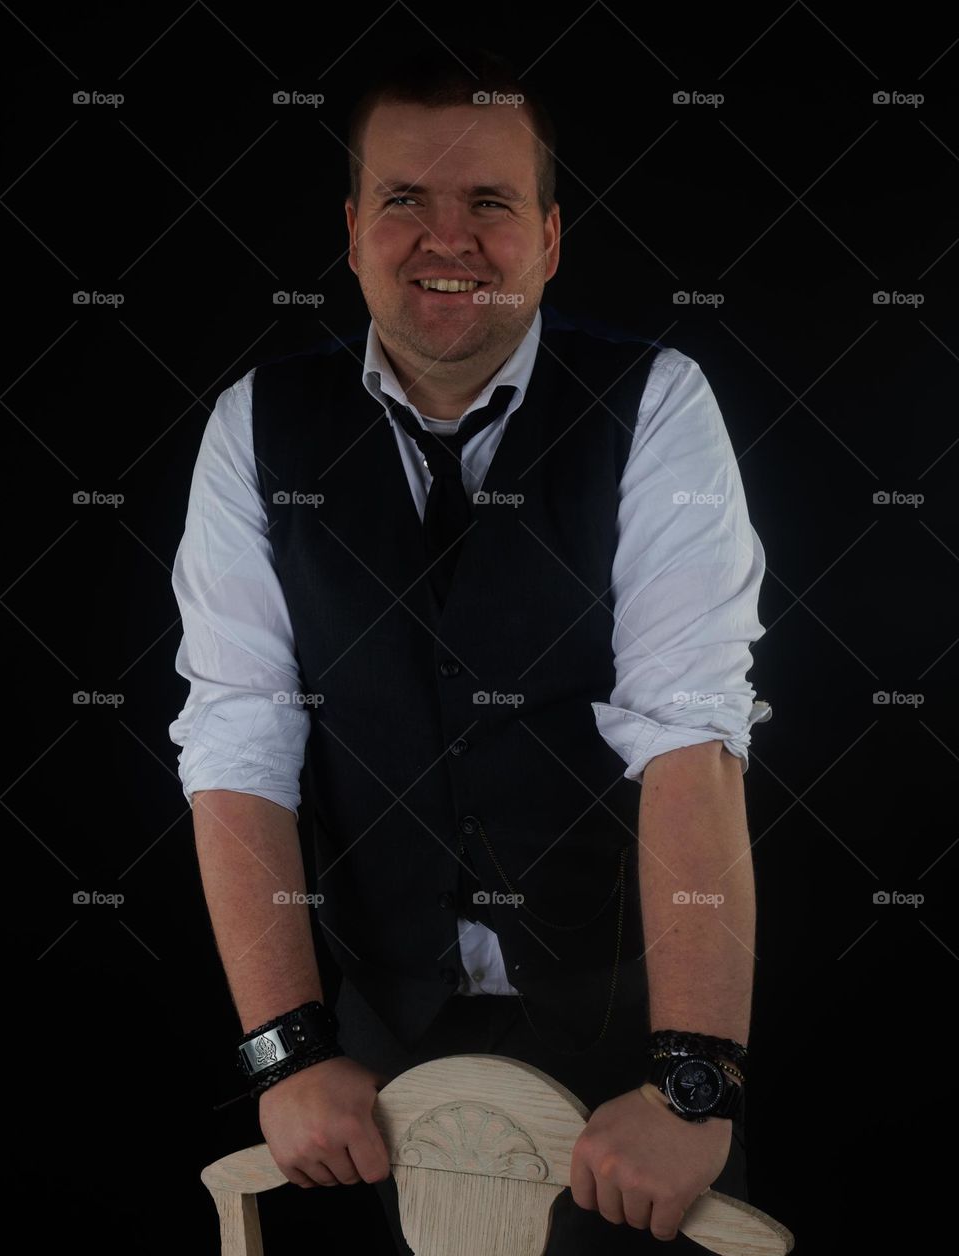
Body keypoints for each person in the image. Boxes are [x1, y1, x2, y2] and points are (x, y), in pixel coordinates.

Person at [170, 42, 773, 1254]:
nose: (448, 238)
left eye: (490, 203)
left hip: (625, 1032)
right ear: (352, 232)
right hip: (371, 1039)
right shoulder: (256, 428)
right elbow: (239, 743)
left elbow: (689, 739)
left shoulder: (658, 404)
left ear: (548, 238)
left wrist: (693, 1076)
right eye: (405, 200)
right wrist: (287, 1045)